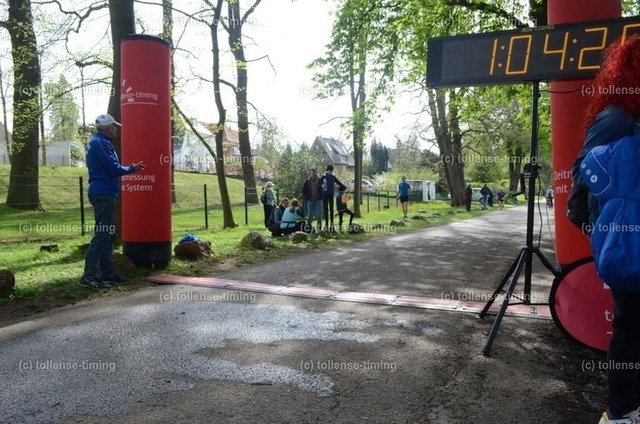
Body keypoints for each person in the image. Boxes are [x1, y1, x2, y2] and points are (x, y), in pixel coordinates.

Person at [569, 35, 640, 424]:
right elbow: (583, 174)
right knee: (630, 326)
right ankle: (621, 412)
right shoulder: (617, 118)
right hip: (630, 240)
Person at [80, 114, 145, 290]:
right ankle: (88, 276)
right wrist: (132, 168)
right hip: (103, 193)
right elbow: (113, 168)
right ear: (107, 127)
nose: (116, 129)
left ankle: (108, 274)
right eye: (114, 126)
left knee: (107, 235)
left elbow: (111, 167)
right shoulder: (100, 143)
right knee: (102, 235)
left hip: (105, 193)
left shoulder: (101, 142)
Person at [318, 164, 346, 231]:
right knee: (326, 210)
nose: (330, 172)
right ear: (327, 170)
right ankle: (326, 225)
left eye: (331, 171)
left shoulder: (333, 177)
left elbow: (338, 182)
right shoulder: (323, 177)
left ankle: (332, 224)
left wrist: (344, 187)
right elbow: (318, 183)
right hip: (325, 195)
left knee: (331, 209)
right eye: (329, 171)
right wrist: (321, 186)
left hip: (331, 194)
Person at [302, 166, 322, 232]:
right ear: (311, 172)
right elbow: (304, 190)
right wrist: (307, 197)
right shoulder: (308, 181)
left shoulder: (320, 180)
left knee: (319, 216)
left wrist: (321, 196)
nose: (313, 172)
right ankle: (308, 230)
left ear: (317, 172)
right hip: (310, 200)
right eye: (312, 171)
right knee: (310, 216)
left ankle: (319, 230)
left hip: (318, 200)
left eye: (314, 171)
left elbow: (323, 188)